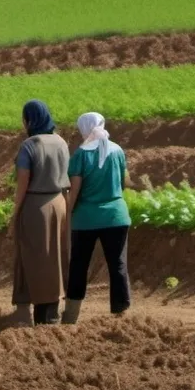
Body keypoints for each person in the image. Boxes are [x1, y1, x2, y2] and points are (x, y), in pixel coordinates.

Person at [63, 113, 131, 324]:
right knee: (118, 264)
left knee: (79, 265)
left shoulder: (81, 155)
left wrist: (66, 216)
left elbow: (74, 192)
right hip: (116, 216)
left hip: (86, 219)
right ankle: (120, 314)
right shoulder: (117, 150)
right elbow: (124, 182)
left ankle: (71, 316)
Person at [10, 99, 70, 327]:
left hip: (36, 206)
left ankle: (36, 313)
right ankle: (52, 311)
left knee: (34, 259)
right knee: (55, 257)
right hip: (59, 202)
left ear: (30, 119)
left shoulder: (29, 145)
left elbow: (23, 183)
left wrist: (16, 212)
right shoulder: (61, 142)